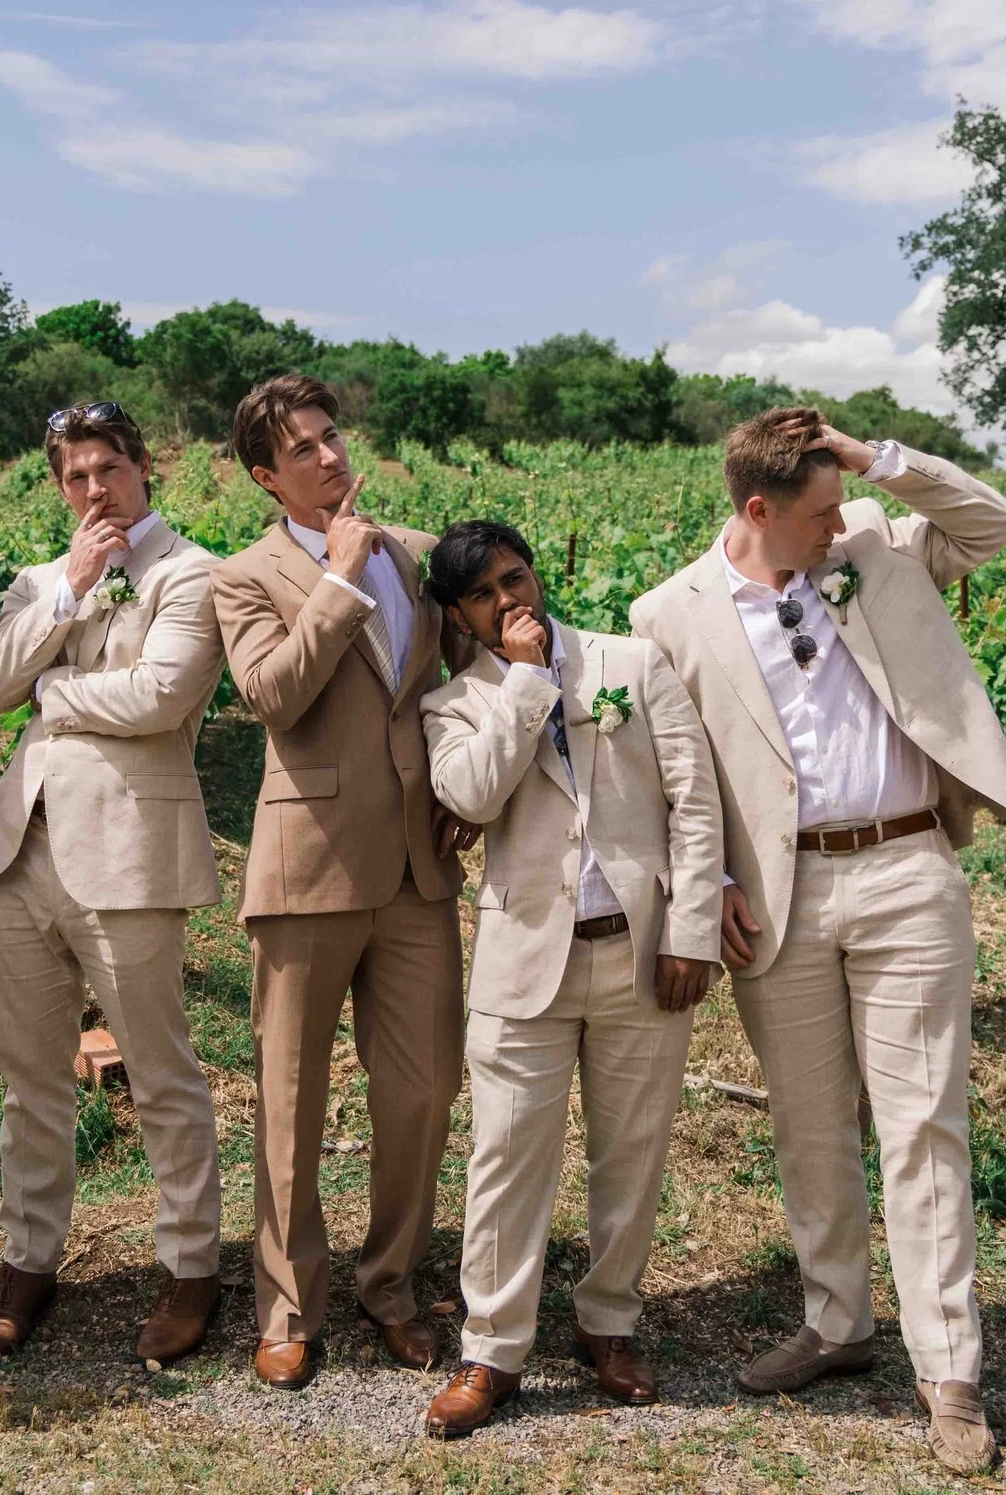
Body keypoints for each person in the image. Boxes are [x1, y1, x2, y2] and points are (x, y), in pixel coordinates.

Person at [629, 407, 1006, 1476]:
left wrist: (873, 462)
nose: (836, 521)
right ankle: (836, 1319)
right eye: (816, 510)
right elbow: (673, 770)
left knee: (922, 1125)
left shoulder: (875, 539)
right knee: (809, 1127)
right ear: (756, 510)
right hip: (779, 892)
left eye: (841, 501)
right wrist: (707, 879)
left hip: (908, 867)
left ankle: (947, 1366)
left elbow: (992, 523)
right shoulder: (667, 612)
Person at [415, 521, 724, 1439]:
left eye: (517, 578)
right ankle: (493, 1348)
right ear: (462, 617)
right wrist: (524, 682)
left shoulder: (634, 662)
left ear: (538, 573)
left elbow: (693, 801)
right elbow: (469, 797)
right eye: (485, 595)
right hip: (523, 960)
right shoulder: (456, 703)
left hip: (639, 947)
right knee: (506, 1159)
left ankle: (610, 1321)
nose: (511, 601)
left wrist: (693, 930)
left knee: (631, 1151)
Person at [208, 373, 477, 1388]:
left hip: (418, 862)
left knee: (422, 1089)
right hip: (306, 862)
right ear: (265, 475)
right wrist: (336, 580)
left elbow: (463, 670)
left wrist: (472, 785)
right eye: (303, 447)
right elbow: (272, 693)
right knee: (291, 1098)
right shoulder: (242, 575)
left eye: (333, 435)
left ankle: (392, 1281)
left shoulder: (412, 551)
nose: (329, 455)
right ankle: (286, 1302)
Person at [0, 400, 228, 1365]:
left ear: (144, 467)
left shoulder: (192, 572)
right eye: (74, 476)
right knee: (32, 1079)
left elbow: (161, 697)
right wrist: (67, 592)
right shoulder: (47, 579)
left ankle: (193, 1261)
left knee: (160, 1070)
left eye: (108, 469)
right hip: (21, 853)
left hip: (129, 854)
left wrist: (55, 694)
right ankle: (29, 1260)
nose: (94, 489)